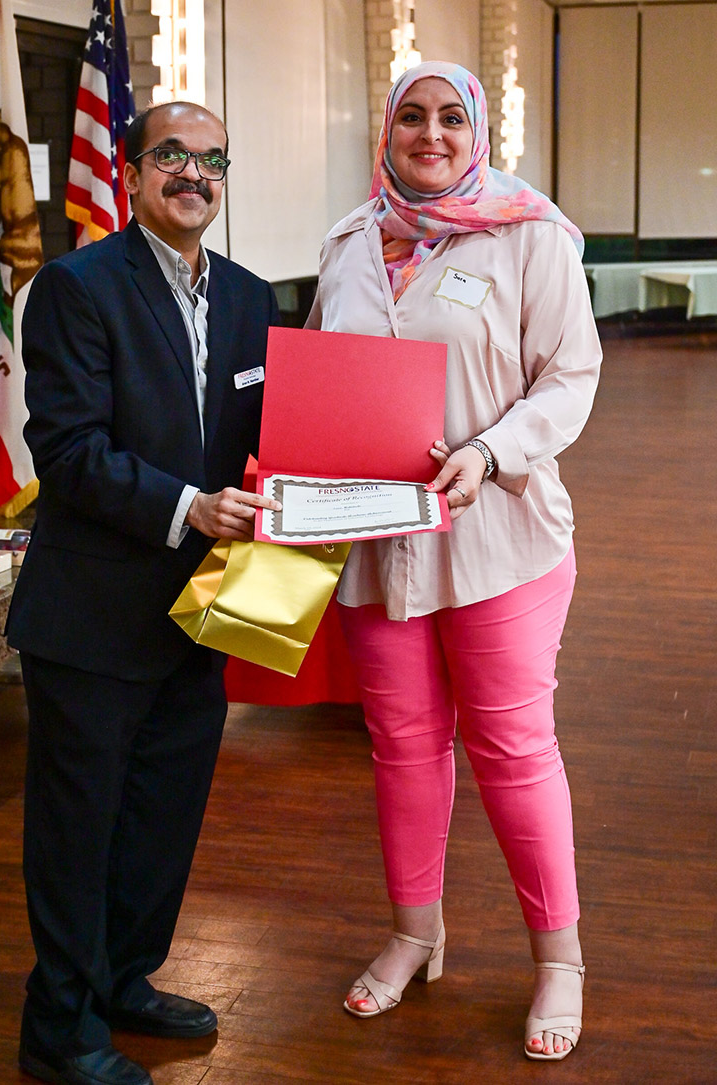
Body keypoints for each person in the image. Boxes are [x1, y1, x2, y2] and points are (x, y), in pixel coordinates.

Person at [306, 61, 601, 1062]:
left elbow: (568, 376)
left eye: (447, 118)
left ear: (473, 131)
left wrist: (487, 449)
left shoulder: (529, 234)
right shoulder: (347, 241)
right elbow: (324, 375)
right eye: (410, 118)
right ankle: (413, 933)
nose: (428, 134)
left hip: (499, 537)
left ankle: (555, 955)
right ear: (384, 131)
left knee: (513, 750)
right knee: (400, 743)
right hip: (377, 545)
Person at [6, 101, 281, 1085]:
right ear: (129, 171)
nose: (194, 173)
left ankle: (124, 978)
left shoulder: (251, 297)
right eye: (173, 153)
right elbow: (68, 451)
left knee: (160, 818)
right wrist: (189, 508)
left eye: (212, 158)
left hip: (203, 608)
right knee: (77, 830)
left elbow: (273, 444)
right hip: (90, 615)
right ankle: (58, 1023)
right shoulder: (76, 288)